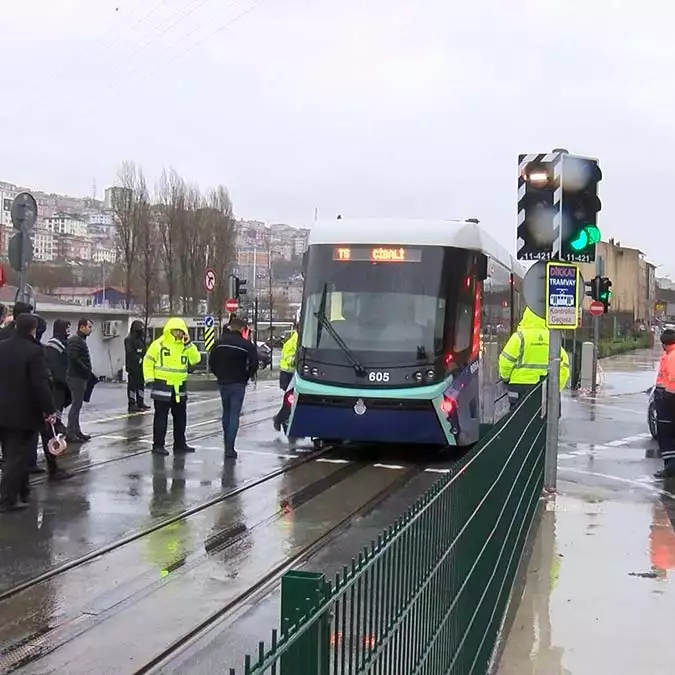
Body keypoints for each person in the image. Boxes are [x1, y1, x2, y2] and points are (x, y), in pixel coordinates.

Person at [0, 314, 57, 512]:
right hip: (22, 414)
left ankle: (22, 491)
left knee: (10, 454)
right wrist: (49, 409)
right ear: (33, 329)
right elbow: (39, 385)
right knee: (16, 457)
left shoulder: (2, 346)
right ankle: (7, 499)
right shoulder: (34, 352)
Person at [143, 317, 201, 456]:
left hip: (179, 388)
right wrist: (149, 379)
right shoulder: (159, 344)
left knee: (181, 418)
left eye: (180, 331)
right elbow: (148, 361)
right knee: (161, 418)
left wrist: (189, 344)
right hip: (162, 386)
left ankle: (180, 444)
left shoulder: (185, 346)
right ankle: (158, 445)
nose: (178, 334)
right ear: (170, 330)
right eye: (175, 331)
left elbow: (196, 359)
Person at [498, 307, 570, 409]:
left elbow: (505, 361)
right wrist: (556, 387)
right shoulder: (552, 338)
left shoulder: (520, 337)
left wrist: (505, 378)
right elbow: (564, 366)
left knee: (517, 420)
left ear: (525, 317)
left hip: (519, 387)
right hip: (544, 389)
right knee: (541, 420)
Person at [209, 317, 259, 458]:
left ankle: (226, 444)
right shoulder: (246, 345)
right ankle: (230, 448)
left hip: (223, 381)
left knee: (226, 412)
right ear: (243, 329)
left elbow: (212, 361)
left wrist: (219, 374)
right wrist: (246, 376)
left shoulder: (219, 343)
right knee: (234, 414)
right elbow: (254, 364)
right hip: (238, 382)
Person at [35, 315, 73, 481]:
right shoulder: (49, 348)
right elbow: (51, 374)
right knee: (50, 430)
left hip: (49, 392)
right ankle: (52, 467)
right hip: (52, 392)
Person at [66, 317, 95, 443]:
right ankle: (70, 432)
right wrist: (85, 369)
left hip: (80, 376)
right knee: (76, 405)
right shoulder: (75, 340)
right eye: (89, 327)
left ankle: (76, 431)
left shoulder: (80, 340)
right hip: (76, 377)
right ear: (82, 327)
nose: (90, 330)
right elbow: (73, 357)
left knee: (78, 404)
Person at [653, 329, 675, 479]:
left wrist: (667, 397)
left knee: (666, 434)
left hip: (669, 399)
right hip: (667, 397)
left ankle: (670, 468)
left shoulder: (672, 357)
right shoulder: (669, 355)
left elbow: (672, 381)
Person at [273, 321, 298, 432]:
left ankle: (282, 420)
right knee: (290, 402)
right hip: (289, 375)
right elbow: (288, 358)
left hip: (293, 375)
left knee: (292, 402)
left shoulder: (300, 339)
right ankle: (280, 420)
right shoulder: (293, 342)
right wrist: (297, 360)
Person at [125, 320, 150, 413]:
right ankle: (131, 403)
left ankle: (141, 402)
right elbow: (130, 352)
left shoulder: (141, 340)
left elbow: (144, 351)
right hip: (132, 367)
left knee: (140, 385)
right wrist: (138, 359)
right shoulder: (129, 339)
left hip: (141, 368)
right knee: (132, 386)